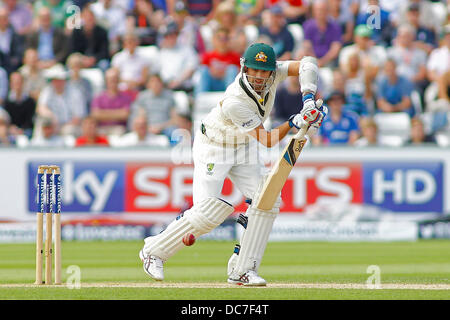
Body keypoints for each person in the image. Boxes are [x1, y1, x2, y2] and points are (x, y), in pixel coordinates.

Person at [139, 43, 327, 286]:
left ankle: (242, 270)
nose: (259, 77)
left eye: (264, 71)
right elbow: (268, 141)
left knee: (267, 201)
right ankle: (153, 250)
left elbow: (309, 62)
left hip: (243, 146)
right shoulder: (235, 100)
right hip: (215, 148)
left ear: (271, 71)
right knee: (206, 216)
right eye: (253, 70)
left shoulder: (274, 73)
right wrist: (294, 121)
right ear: (243, 67)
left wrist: (309, 100)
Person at [128, 73, 178, 140]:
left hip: (165, 128)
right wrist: (148, 127)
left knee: (175, 133)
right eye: (152, 82)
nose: (155, 84)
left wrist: (160, 127)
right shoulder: (143, 97)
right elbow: (141, 116)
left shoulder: (169, 97)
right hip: (147, 127)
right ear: (148, 84)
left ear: (161, 84)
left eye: (157, 82)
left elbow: (174, 118)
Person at [194, 27, 240, 96]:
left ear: (229, 41)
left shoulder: (235, 57)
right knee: (204, 69)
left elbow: (239, 74)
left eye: (225, 39)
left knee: (232, 69)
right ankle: (200, 98)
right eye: (219, 39)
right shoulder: (208, 56)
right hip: (212, 84)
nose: (222, 42)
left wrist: (223, 73)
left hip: (226, 84)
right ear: (214, 40)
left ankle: (231, 97)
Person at [90, 68, 132, 135]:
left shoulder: (126, 97)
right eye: (111, 80)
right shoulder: (98, 97)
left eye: (115, 79)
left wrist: (103, 113)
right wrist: (118, 113)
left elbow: (125, 114)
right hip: (102, 128)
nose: (113, 82)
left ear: (118, 81)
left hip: (119, 128)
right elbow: (95, 115)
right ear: (106, 81)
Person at [302, 0, 342, 68]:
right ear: (314, 11)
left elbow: (335, 48)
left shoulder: (335, 27)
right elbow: (307, 46)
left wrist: (322, 61)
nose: (321, 12)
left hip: (330, 62)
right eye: (318, 10)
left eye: (323, 10)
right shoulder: (308, 26)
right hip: (311, 60)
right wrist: (316, 61)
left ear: (328, 11)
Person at [3, 72, 36, 138]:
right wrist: (12, 128)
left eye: (19, 82)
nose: (17, 85)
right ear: (11, 84)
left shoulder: (30, 101)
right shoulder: (7, 101)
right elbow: (6, 119)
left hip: (26, 131)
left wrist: (22, 130)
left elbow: (30, 120)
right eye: (15, 82)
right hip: (11, 132)